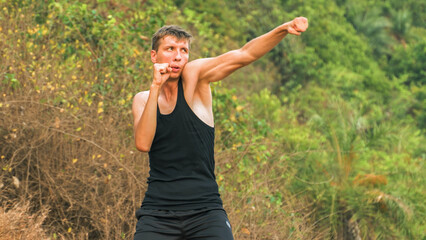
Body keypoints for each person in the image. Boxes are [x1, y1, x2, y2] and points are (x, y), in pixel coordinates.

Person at [132, 17, 308, 240]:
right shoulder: (143, 99)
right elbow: (143, 143)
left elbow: (244, 55)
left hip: (205, 212)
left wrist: (283, 29)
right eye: (170, 49)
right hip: (157, 214)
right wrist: (156, 86)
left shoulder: (195, 77)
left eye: (184, 50)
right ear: (154, 56)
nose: (178, 56)